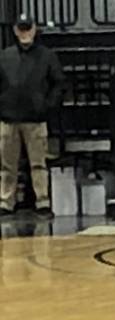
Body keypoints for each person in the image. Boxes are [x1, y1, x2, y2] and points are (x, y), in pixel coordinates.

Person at [0, 14, 64, 219]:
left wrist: (46, 106)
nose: (25, 33)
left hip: (35, 120)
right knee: (7, 166)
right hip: (8, 119)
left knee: (39, 164)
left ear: (35, 29)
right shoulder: (4, 56)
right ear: (16, 30)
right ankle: (5, 202)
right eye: (22, 28)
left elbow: (58, 83)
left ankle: (42, 201)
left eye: (28, 28)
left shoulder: (47, 56)